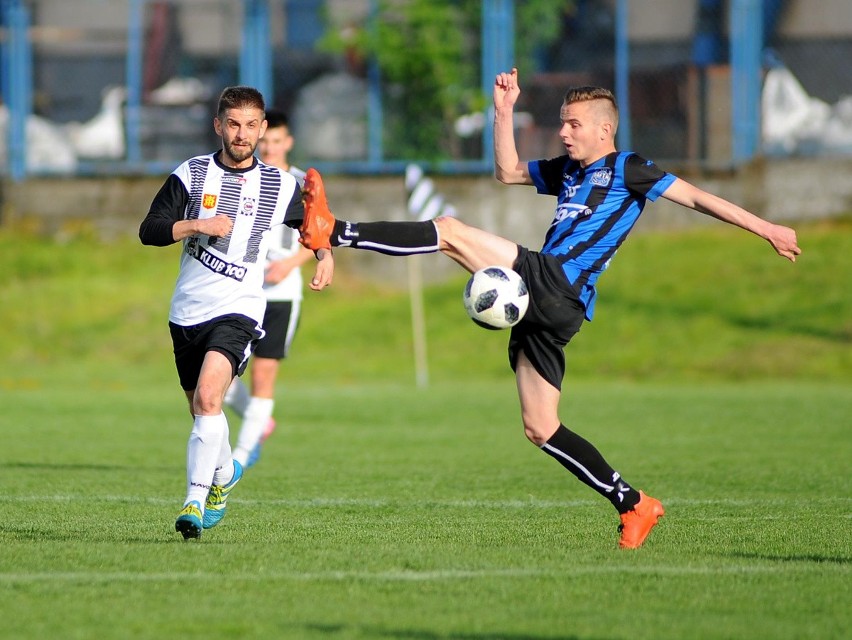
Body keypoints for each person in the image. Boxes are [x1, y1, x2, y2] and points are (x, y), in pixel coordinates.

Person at [298, 67, 801, 549]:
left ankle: (335, 231)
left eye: (573, 123)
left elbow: (698, 199)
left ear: (604, 129)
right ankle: (632, 503)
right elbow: (507, 172)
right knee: (541, 426)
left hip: (558, 285)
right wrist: (503, 111)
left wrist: (768, 229)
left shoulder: (628, 167)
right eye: (562, 121)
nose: (563, 132)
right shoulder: (567, 172)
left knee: (449, 232)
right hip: (554, 307)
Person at [139, 87, 333, 540]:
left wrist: (324, 254)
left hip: (241, 309)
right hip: (187, 311)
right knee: (200, 408)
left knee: (211, 397)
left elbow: (312, 225)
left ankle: (194, 500)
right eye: (233, 124)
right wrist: (195, 224)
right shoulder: (191, 174)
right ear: (218, 126)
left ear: (263, 129)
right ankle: (225, 475)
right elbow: (149, 230)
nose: (242, 134)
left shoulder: (283, 184)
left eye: (251, 125)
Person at [223, 109, 315, 469]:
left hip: (281, 294)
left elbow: (319, 238)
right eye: (266, 141)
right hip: (240, 289)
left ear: (288, 142)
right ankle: (259, 420)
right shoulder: (243, 179)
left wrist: (290, 263)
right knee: (216, 374)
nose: (271, 148)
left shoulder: (302, 184)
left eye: (278, 141)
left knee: (263, 374)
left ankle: (242, 456)